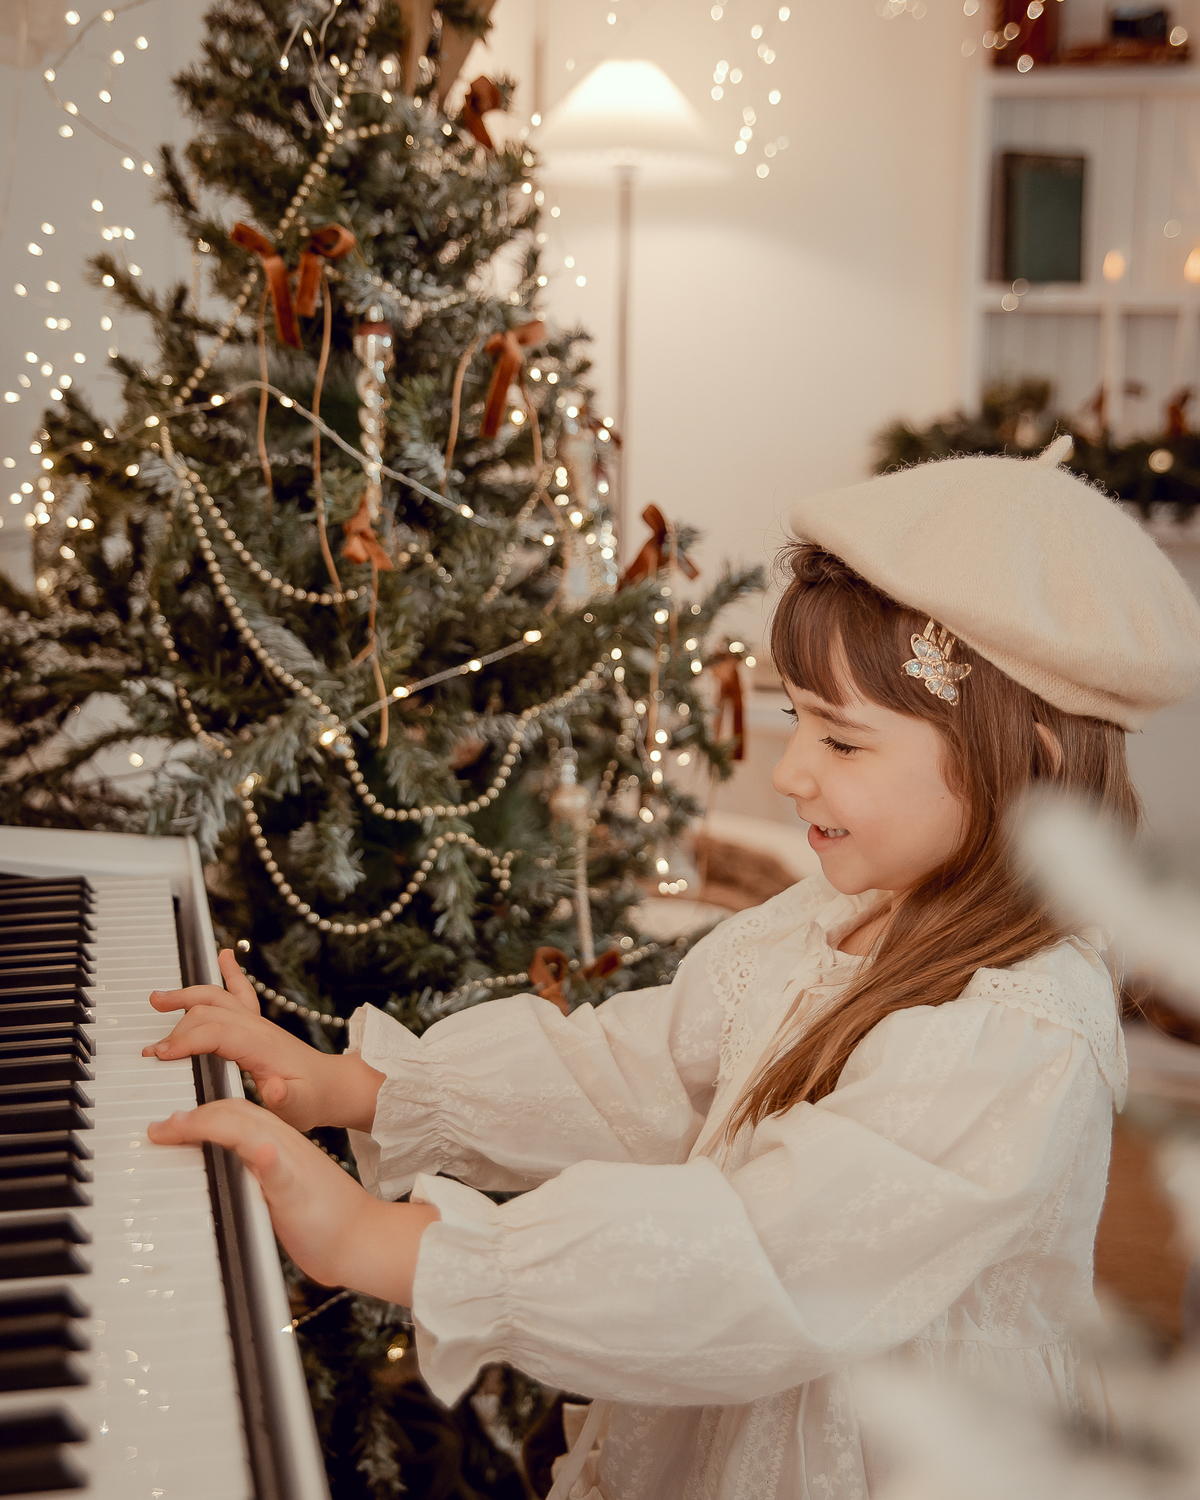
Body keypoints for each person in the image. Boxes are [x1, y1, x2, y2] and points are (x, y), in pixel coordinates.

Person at [146, 443, 1200, 1499]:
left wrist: (398, 1247)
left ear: (1037, 769)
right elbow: (638, 1073)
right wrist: (358, 1085)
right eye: (799, 721)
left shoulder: (1020, 1030)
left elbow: (773, 1256)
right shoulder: (842, 914)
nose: (789, 773)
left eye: (844, 741)